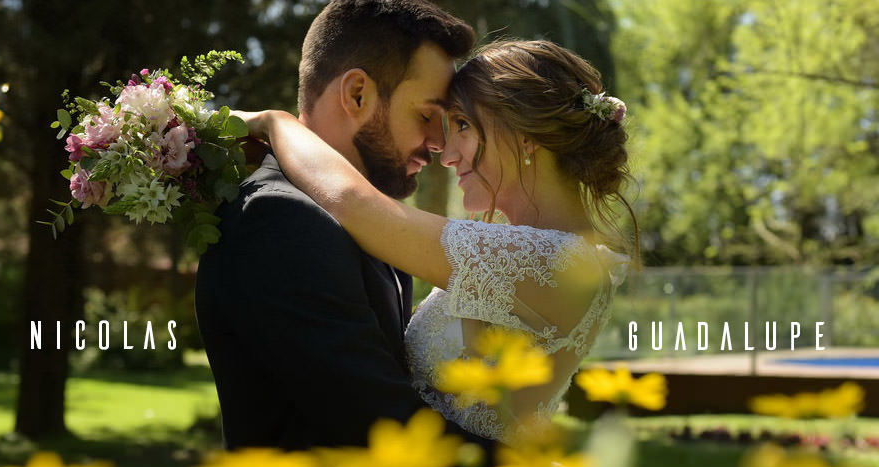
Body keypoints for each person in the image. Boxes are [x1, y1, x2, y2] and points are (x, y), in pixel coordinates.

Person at [236, 39, 636, 444]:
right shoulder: (539, 253)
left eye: (462, 125)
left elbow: (354, 204)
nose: (445, 155)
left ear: (526, 134)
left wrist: (276, 123)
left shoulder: (554, 261)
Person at [195, 0, 508, 458]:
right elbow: (377, 428)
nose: (440, 144)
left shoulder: (365, 222)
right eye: (426, 115)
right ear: (357, 94)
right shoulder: (279, 221)